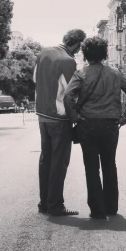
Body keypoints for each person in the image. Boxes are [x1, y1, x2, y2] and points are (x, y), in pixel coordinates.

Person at [63, 36, 126, 220]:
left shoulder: (81, 74)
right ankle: (111, 206)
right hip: (111, 125)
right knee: (109, 165)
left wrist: (75, 117)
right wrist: (125, 116)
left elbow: (67, 96)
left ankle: (97, 209)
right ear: (104, 53)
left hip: (87, 124)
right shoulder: (115, 73)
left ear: (86, 54)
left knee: (91, 167)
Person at [34, 28, 86, 216]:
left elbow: (35, 80)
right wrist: (76, 117)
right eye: (79, 47)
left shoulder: (44, 53)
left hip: (42, 116)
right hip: (59, 118)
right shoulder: (68, 61)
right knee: (59, 162)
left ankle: (44, 204)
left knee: (45, 160)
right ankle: (56, 205)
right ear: (77, 44)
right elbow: (71, 93)